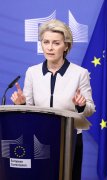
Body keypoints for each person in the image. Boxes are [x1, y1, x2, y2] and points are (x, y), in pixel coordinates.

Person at [10, 19, 95, 180]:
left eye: (56, 43)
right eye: (46, 42)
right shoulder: (32, 72)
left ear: (66, 46)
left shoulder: (80, 73)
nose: (49, 47)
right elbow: (30, 108)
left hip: (70, 138)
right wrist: (21, 104)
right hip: (38, 137)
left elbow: (90, 109)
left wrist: (81, 105)